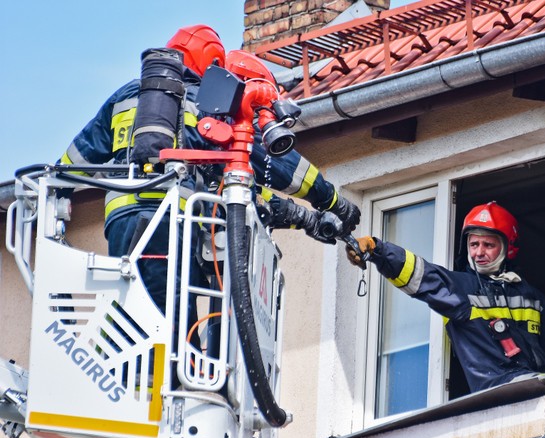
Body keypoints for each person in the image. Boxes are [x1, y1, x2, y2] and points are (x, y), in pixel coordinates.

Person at [58, 24, 359, 313]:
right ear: (212, 62)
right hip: (170, 220)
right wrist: (331, 200)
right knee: (171, 321)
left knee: (131, 306)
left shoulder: (122, 97)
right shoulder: (206, 103)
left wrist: (54, 200)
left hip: (119, 220)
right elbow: (275, 165)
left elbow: (73, 162)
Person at [347, 201, 545, 393]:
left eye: (488, 245)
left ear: (508, 248)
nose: (479, 253)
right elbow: (421, 275)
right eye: (474, 244)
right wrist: (378, 250)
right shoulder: (462, 288)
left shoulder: (535, 299)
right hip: (501, 394)